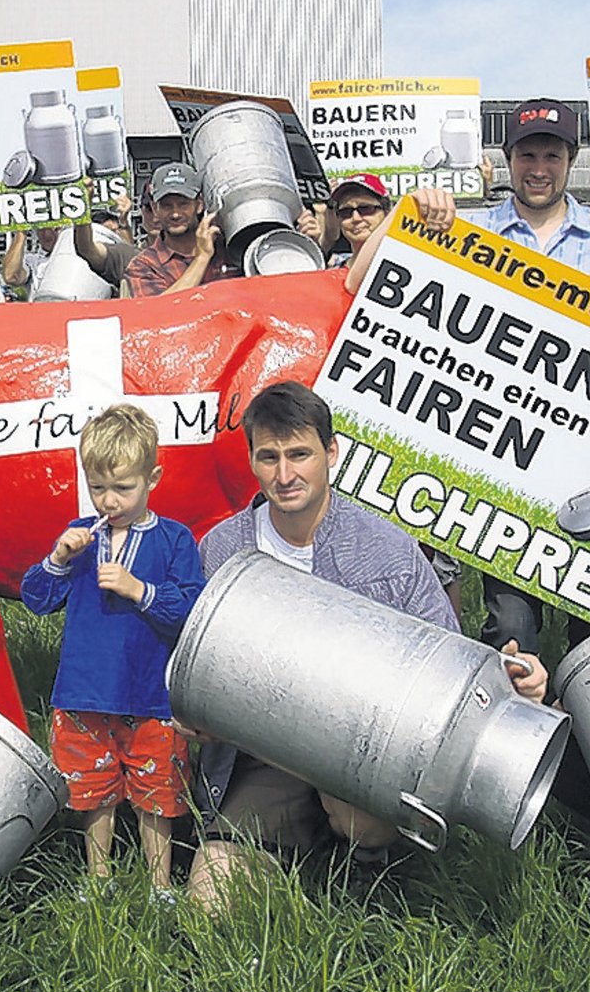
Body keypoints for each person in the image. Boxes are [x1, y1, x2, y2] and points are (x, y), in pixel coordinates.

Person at [187, 382, 548, 912]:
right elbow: (194, 663)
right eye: (269, 457)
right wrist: (193, 711)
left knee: (360, 818)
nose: (284, 475)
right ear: (252, 460)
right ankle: (284, 847)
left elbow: (448, 656)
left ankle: (368, 865)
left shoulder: (389, 550)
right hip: (264, 756)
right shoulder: (222, 549)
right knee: (210, 898)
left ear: (331, 453)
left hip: (367, 752)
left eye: (300, 455)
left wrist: (513, 682)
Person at [463, 100, 590, 653]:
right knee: (510, 625)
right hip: (505, 446)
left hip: (588, 449)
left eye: (552, 154)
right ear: (509, 161)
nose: (539, 167)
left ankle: (588, 728)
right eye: (528, 154)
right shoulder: (472, 230)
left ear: (571, 160)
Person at [21, 405, 204, 894]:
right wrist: (59, 558)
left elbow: (191, 611)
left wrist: (138, 589)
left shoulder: (174, 540)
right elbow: (36, 600)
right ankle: (98, 877)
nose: (109, 500)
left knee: (157, 792)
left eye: (123, 488)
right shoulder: (81, 536)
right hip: (83, 692)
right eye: (97, 487)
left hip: (151, 696)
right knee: (91, 790)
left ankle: (160, 884)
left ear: (153, 478)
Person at [124, 163, 242, 296]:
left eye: (183, 204)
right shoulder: (144, 266)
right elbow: (156, 310)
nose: (175, 214)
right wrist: (202, 257)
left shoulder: (230, 246)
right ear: (155, 208)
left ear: (199, 204)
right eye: (167, 206)